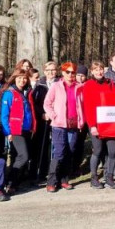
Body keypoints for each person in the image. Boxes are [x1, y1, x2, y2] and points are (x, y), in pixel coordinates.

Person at [43, 62, 84, 192]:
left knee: (69, 152)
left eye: (73, 72)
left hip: (73, 125)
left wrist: (81, 121)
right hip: (59, 125)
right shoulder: (56, 86)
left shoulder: (79, 87)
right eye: (68, 72)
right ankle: (51, 181)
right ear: (63, 72)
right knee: (59, 153)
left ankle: (64, 179)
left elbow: (82, 105)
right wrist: (54, 116)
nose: (70, 75)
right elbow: (47, 103)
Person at [82, 60, 115, 189]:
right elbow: (88, 107)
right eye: (96, 69)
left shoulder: (110, 83)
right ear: (92, 71)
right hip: (96, 123)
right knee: (98, 150)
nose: (99, 72)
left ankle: (109, 176)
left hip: (110, 123)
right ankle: (94, 178)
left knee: (112, 151)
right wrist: (92, 126)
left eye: (101, 69)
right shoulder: (88, 85)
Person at [0, 68, 36, 194]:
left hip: (26, 129)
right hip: (15, 130)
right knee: (23, 156)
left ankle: (14, 183)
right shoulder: (10, 93)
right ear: (15, 78)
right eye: (19, 78)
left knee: (18, 157)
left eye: (24, 78)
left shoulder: (26, 92)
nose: (22, 80)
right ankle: (10, 181)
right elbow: (4, 115)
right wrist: (7, 132)